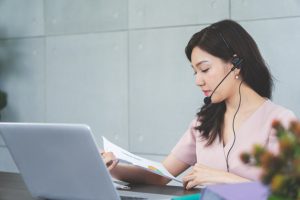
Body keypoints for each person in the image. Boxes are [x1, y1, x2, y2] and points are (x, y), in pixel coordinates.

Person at [101, 19, 297, 190]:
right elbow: (160, 176)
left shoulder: (281, 120)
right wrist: (111, 167)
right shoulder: (203, 122)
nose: (198, 80)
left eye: (204, 69)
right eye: (195, 72)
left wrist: (223, 179)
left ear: (235, 64)